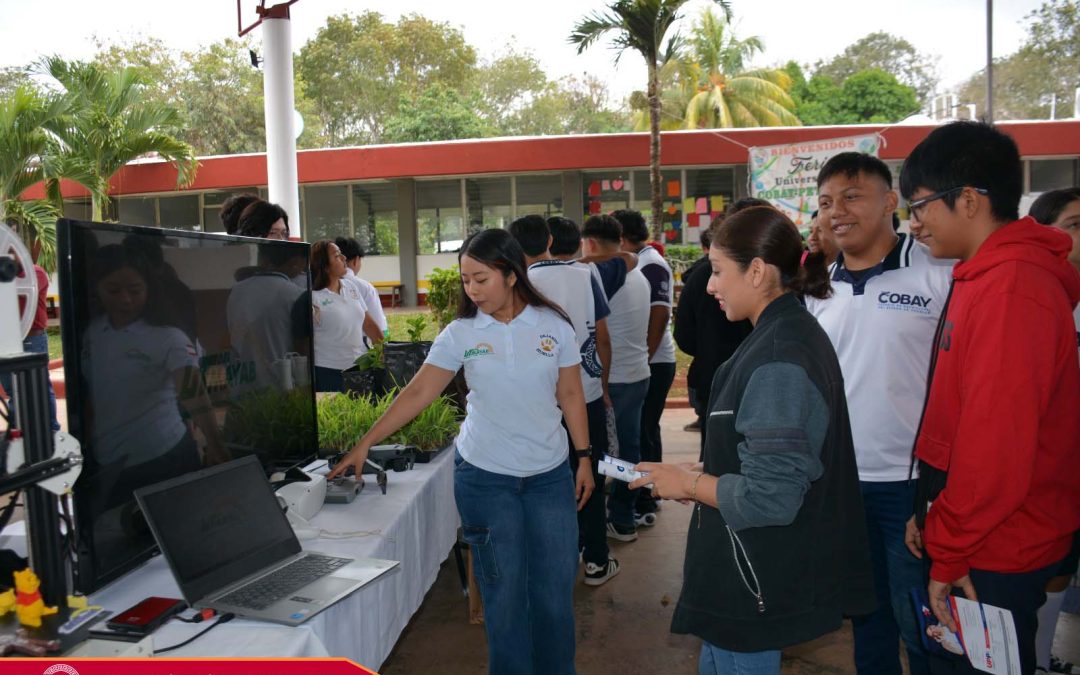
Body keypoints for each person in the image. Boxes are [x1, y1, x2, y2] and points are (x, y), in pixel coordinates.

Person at [329, 228, 593, 674]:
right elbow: (417, 394)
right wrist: (364, 444)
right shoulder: (462, 333)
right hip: (486, 478)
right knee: (502, 596)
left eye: (481, 278)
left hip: (549, 476)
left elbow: (570, 394)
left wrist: (583, 457)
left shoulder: (553, 326)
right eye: (465, 279)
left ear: (511, 274)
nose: (472, 289)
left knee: (553, 595)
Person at [632, 206, 873, 674]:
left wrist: (685, 486)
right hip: (741, 576)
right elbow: (764, 453)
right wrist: (699, 473)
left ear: (758, 271)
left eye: (718, 271)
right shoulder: (775, 335)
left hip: (755, 578)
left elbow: (772, 497)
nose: (709, 285)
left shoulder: (780, 357)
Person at [900, 121, 1080, 675]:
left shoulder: (1013, 287)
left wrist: (949, 547)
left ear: (970, 201)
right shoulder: (982, 275)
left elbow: (994, 449)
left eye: (921, 205)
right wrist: (928, 512)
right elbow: (954, 420)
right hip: (975, 531)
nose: (914, 223)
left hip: (996, 547)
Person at [808, 151, 954, 675]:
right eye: (825, 202)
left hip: (914, 490)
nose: (836, 212)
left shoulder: (939, 272)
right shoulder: (818, 288)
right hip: (843, 484)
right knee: (867, 621)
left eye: (851, 196)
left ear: (890, 201)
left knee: (926, 626)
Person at [80, 243, 228, 523]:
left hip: (162, 454)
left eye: (135, 290)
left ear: (148, 289)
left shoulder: (167, 336)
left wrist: (216, 445)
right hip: (110, 459)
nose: (125, 300)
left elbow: (194, 395)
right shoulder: (92, 334)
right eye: (113, 290)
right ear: (97, 288)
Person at [508, 214, 618, 585]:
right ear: (550, 240)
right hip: (584, 394)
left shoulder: (519, 284)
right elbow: (602, 336)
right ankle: (597, 561)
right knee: (590, 474)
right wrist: (601, 383)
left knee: (548, 481)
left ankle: (558, 559)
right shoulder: (586, 275)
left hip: (539, 402)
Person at [1027, 187, 1080, 675]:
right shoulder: (1041, 296)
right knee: (1054, 568)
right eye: (1075, 224)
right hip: (1052, 468)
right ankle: (1041, 661)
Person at [581, 214, 652, 541]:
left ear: (591, 243)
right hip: (637, 373)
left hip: (616, 379)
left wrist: (603, 385)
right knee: (627, 448)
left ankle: (622, 517)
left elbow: (603, 337)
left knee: (612, 456)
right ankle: (626, 511)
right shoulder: (637, 275)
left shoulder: (603, 276)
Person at [614, 209, 676, 520]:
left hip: (655, 361)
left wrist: (645, 358)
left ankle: (645, 500)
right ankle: (649, 495)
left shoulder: (651, 264)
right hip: (648, 359)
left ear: (622, 238)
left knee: (642, 434)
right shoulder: (640, 262)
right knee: (644, 432)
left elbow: (660, 315)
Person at [674, 210, 752, 446]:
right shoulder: (702, 280)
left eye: (717, 272)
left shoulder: (778, 332)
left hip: (711, 375)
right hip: (713, 379)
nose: (711, 286)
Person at [0, 222, 60, 432]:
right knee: (12, 391)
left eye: (10, 249)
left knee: (41, 389)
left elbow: (15, 293)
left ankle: (52, 430)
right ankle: (21, 433)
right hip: (6, 342)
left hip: (33, 339)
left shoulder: (36, 273)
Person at [309, 241, 383, 392]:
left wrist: (382, 351)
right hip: (328, 371)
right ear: (324, 265)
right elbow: (302, 342)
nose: (343, 258)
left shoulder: (351, 287)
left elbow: (368, 323)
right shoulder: (312, 297)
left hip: (359, 367)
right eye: (336, 256)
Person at [335, 237, 388, 335]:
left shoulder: (318, 286)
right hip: (362, 347)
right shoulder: (365, 287)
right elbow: (380, 326)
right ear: (356, 260)